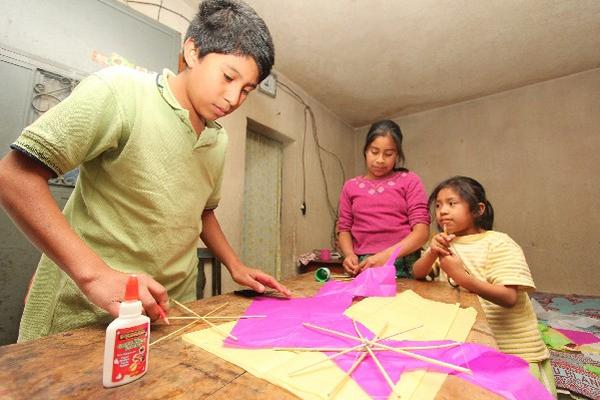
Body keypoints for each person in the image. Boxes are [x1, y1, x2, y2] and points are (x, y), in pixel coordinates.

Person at [0, 0, 290, 342]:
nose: (233, 98)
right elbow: (14, 177)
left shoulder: (218, 141)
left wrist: (235, 265)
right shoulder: (122, 92)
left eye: (246, 89)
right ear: (193, 52)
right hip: (86, 314)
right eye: (228, 77)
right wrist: (94, 276)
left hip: (171, 313)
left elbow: (203, 212)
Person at [412, 176, 556, 396]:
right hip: (472, 347)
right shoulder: (444, 243)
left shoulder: (498, 243)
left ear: (478, 210)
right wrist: (431, 252)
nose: (442, 211)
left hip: (514, 349)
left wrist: (464, 278)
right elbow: (418, 274)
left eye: (452, 203)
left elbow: (509, 298)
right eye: (438, 205)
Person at [337, 120, 430, 278]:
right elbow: (344, 229)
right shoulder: (350, 186)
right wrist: (349, 255)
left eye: (388, 154)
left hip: (404, 261)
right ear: (365, 150)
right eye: (374, 152)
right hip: (364, 265)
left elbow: (421, 232)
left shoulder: (409, 180)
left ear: (397, 155)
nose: (380, 160)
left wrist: (384, 257)